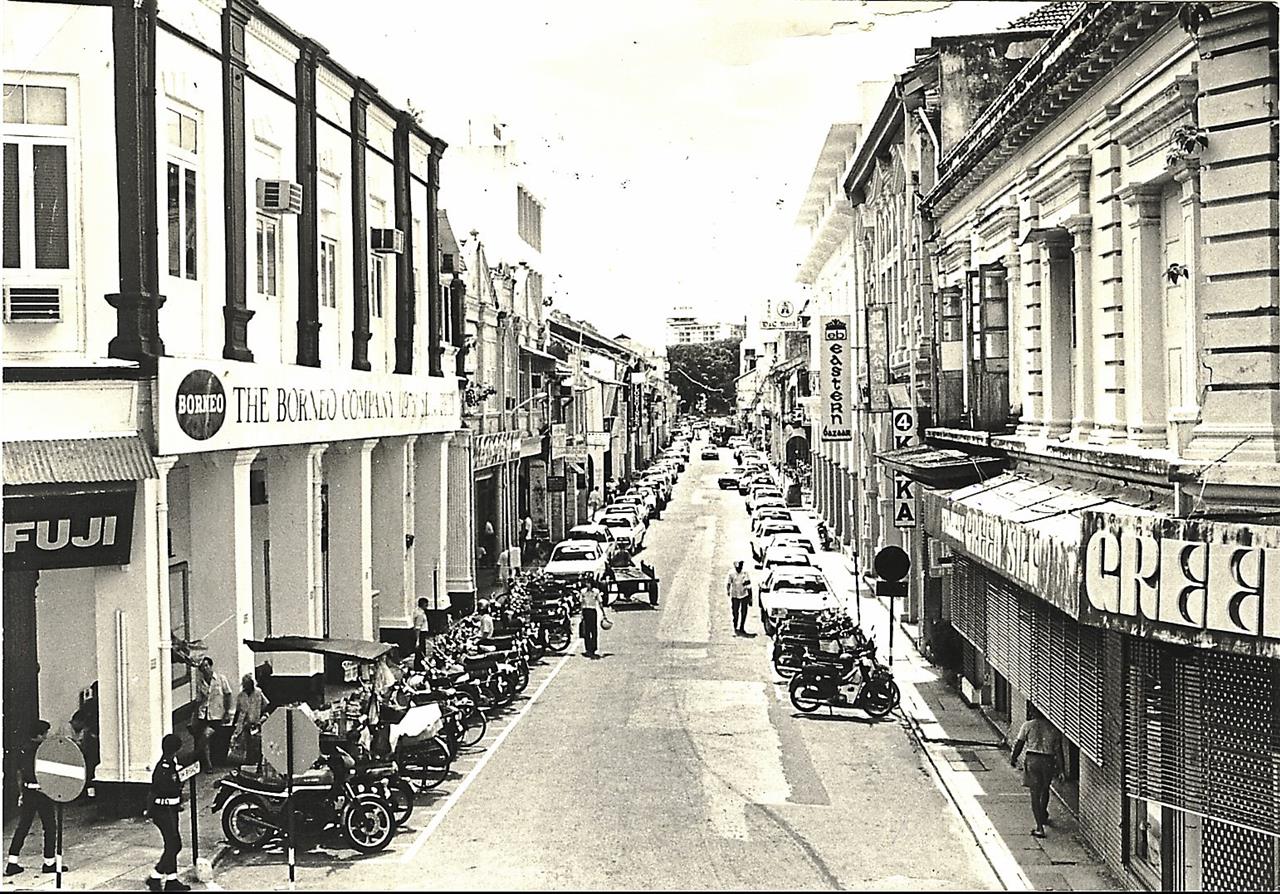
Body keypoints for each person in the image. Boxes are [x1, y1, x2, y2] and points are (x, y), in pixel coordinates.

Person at [5, 720, 63, 878]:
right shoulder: (43, 751)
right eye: (45, 733)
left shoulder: (22, 749)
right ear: (39, 734)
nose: (46, 736)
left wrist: (21, 793)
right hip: (42, 792)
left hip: (28, 791)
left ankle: (12, 862)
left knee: (23, 826)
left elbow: (19, 774)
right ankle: (49, 862)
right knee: (50, 827)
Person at [1010, 705, 1068, 838]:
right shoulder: (1053, 728)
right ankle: (1043, 814)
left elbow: (1019, 744)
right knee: (1045, 789)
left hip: (1033, 760)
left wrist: (1014, 758)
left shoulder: (1028, 725)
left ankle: (1039, 827)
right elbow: (1058, 751)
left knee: (1034, 794)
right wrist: (1061, 769)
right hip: (1048, 760)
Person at [145, 733, 190, 892]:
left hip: (171, 809)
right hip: (163, 810)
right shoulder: (164, 767)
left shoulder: (171, 764)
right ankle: (155, 876)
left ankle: (171, 880)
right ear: (176, 749)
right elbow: (161, 789)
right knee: (174, 844)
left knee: (172, 844)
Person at [192, 657, 233, 771]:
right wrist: (194, 716)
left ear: (211, 666)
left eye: (206, 666)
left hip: (216, 714)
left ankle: (198, 756)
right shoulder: (200, 683)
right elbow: (198, 700)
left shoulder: (220, 679)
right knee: (203, 739)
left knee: (205, 736)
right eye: (202, 667)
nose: (205, 669)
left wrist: (227, 712)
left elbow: (228, 695)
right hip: (203, 714)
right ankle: (208, 764)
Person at [229, 674, 269, 767]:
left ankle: (256, 760)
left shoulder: (258, 693)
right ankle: (248, 760)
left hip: (257, 721)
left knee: (256, 742)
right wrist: (234, 724)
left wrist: (261, 717)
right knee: (247, 742)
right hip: (245, 722)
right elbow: (238, 710)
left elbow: (266, 705)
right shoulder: (241, 696)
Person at [577, 580, 608, 658]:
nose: (588, 585)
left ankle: (594, 647)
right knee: (586, 631)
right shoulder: (583, 592)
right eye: (587, 583)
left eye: (589, 583)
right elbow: (581, 603)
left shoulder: (596, 592)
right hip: (585, 611)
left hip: (592, 611)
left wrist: (603, 613)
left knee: (593, 630)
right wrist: (581, 614)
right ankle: (588, 648)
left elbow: (600, 602)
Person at [726, 560, 753, 636]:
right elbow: (728, 583)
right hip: (735, 595)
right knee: (735, 611)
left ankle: (742, 626)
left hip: (744, 595)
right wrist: (728, 591)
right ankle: (735, 624)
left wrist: (750, 598)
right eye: (737, 568)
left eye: (740, 568)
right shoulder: (731, 573)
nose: (739, 569)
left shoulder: (745, 573)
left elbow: (749, 586)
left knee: (744, 612)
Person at [412, 598, 431, 669]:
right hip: (420, 634)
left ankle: (420, 665)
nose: (427, 606)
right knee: (421, 651)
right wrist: (417, 640)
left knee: (421, 651)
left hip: (421, 633)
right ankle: (419, 666)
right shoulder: (420, 614)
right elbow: (418, 627)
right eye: (426, 604)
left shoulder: (419, 612)